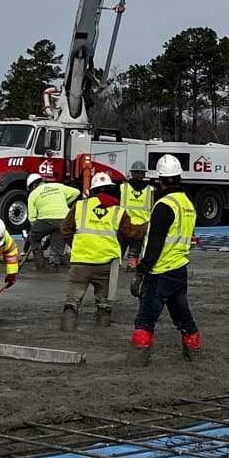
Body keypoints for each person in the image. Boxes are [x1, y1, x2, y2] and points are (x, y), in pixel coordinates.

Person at [129, 154, 201, 364]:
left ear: (160, 180)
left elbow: (155, 244)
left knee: (145, 319)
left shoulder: (164, 206)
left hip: (160, 271)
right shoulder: (187, 204)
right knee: (182, 315)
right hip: (179, 269)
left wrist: (141, 270)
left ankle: (137, 359)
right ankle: (193, 351)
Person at [61, 176, 122, 329]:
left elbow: (66, 230)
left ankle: (67, 327)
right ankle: (102, 329)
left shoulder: (80, 206)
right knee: (104, 302)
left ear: (92, 190)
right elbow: (132, 232)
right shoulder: (117, 209)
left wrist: (78, 246)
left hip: (80, 263)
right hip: (105, 264)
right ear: (110, 190)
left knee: (72, 299)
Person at [26, 174, 81, 272]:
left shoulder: (33, 194)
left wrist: (36, 229)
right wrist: (65, 202)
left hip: (45, 220)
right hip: (62, 220)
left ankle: (40, 265)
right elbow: (76, 192)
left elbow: (32, 218)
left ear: (33, 185)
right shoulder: (58, 186)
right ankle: (54, 263)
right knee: (57, 242)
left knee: (34, 238)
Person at [118, 162, 154, 278]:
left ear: (131, 173)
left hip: (125, 223)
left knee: (119, 247)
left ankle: (115, 264)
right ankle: (132, 265)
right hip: (141, 225)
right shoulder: (150, 189)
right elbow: (153, 206)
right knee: (135, 248)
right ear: (144, 174)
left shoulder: (123, 187)